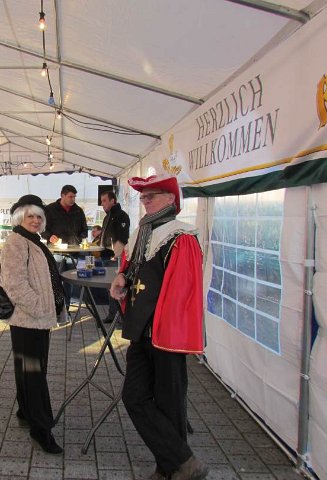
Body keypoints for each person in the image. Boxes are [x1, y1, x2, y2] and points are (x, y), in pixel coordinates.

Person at [109, 174, 207, 480]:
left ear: (171, 199)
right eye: (143, 196)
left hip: (166, 334)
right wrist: (121, 277)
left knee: (170, 402)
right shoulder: (142, 233)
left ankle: (168, 470)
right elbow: (131, 269)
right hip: (142, 332)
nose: (145, 200)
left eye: (152, 195)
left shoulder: (181, 236)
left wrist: (166, 330)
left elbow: (183, 292)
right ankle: (184, 462)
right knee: (134, 396)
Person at [0, 194, 67, 455]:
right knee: (35, 374)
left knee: (27, 369)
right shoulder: (16, 242)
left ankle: (26, 412)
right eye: (31, 216)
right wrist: (40, 308)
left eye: (39, 216)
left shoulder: (31, 240)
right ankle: (41, 430)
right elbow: (14, 284)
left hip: (34, 319)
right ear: (20, 218)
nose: (36, 220)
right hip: (29, 319)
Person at [99, 190, 130, 323]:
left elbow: (122, 238)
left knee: (116, 286)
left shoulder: (121, 216)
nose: (102, 204)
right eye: (102, 201)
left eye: (104, 201)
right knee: (109, 287)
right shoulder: (107, 217)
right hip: (106, 255)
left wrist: (116, 255)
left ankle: (120, 317)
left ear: (113, 201)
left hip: (115, 258)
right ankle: (113, 314)